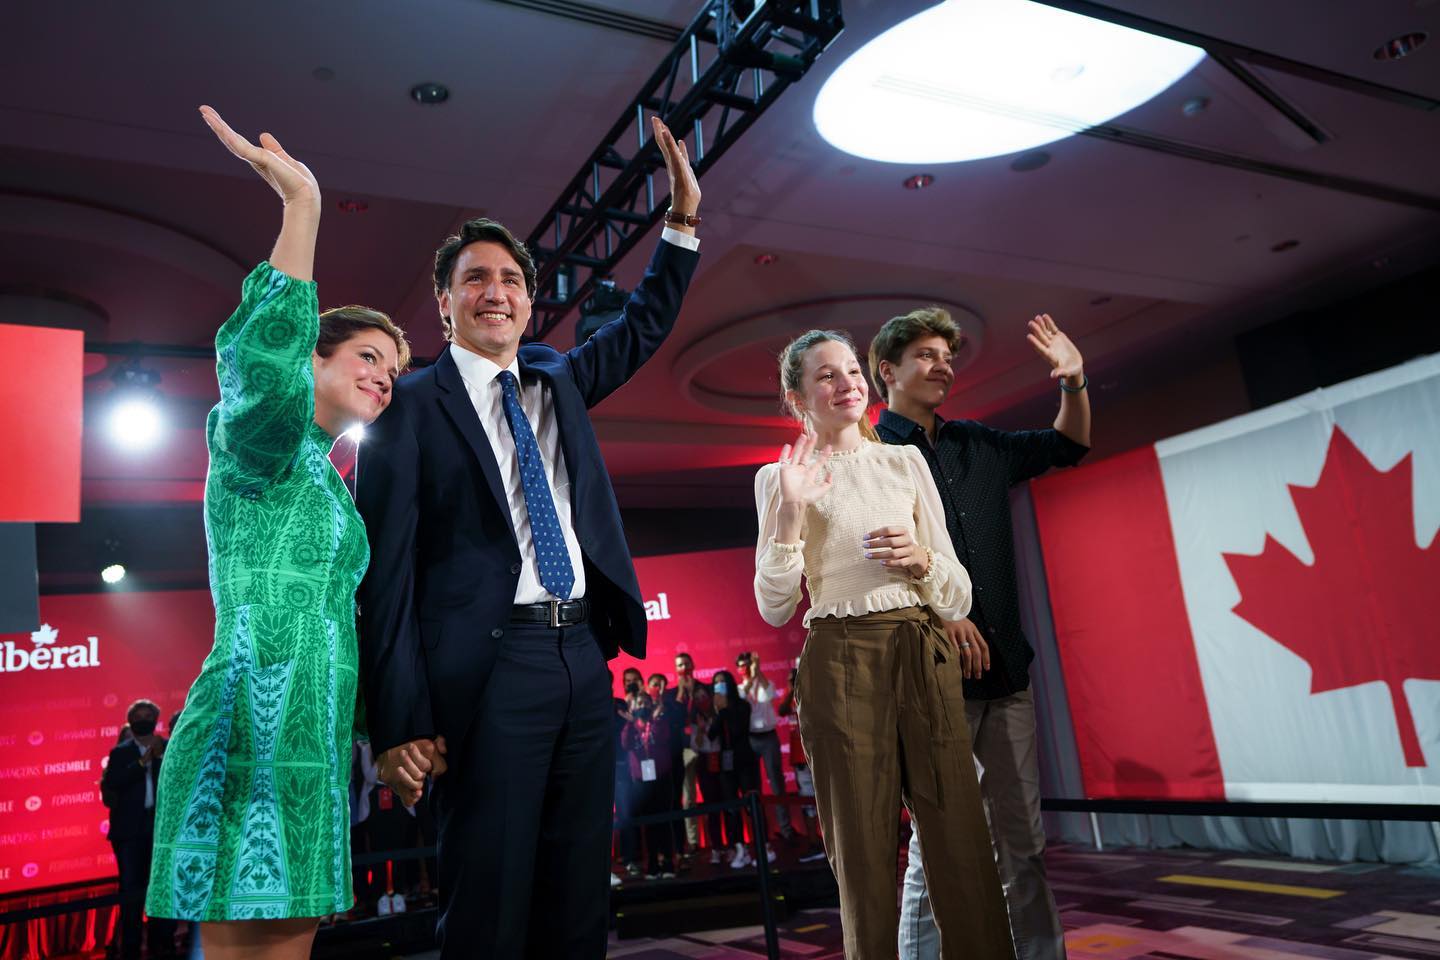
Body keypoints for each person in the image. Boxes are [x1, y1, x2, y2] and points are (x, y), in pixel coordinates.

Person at [355, 116, 702, 959]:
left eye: (511, 278)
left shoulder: (556, 376)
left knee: (579, 896)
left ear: (529, 301)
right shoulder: (407, 408)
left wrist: (682, 220)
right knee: (490, 898)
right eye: (475, 278)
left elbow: (643, 326)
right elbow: (384, 581)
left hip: (581, 657)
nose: (496, 291)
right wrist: (398, 724)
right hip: (488, 673)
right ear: (445, 303)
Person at [146, 107, 411, 960]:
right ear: (314, 358)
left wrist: (386, 735)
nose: (384, 379)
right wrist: (302, 211)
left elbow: (342, 625)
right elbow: (261, 372)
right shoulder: (259, 445)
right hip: (249, 730)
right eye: (367, 356)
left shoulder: (330, 483)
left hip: (313, 745)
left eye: (394, 371)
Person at [753, 329, 1012, 959]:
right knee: (861, 850)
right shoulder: (779, 478)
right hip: (839, 656)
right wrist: (790, 514)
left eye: (851, 370)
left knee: (959, 837)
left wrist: (921, 559)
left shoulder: (904, 462)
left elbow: (956, 595)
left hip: (921, 647)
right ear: (798, 398)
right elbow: (775, 605)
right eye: (827, 376)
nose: (848, 384)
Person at [872, 308, 1088, 960]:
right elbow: (875, 571)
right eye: (926, 355)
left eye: (948, 356)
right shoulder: (872, 459)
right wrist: (944, 611)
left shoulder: (979, 445)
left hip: (1007, 676)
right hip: (935, 681)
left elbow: (1068, 446)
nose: (943, 366)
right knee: (936, 849)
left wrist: (1073, 382)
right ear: (887, 370)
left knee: (1025, 845)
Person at [102, 699, 176, 960]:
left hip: (160, 832)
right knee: (131, 890)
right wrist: (143, 761)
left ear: (155, 720)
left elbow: (178, 783)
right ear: (131, 721)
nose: (144, 720)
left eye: (148, 716)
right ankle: (131, 947)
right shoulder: (120, 753)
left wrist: (161, 756)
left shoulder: (168, 748)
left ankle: (162, 943)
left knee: (160, 888)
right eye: (138, 717)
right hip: (129, 833)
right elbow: (115, 782)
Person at [736, 651, 793, 842]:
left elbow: (770, 694)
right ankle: (762, 834)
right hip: (750, 739)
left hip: (769, 737)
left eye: (748, 665)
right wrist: (751, 678)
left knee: (776, 782)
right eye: (742, 666)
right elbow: (742, 699)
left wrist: (758, 672)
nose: (745, 668)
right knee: (754, 787)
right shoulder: (738, 689)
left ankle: (786, 829)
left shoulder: (764, 682)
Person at [621, 690, 677, 879]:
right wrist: (630, 723)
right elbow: (625, 744)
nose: (643, 706)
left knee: (664, 821)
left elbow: (662, 737)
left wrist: (655, 720)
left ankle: (668, 863)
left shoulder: (658, 721)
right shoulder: (631, 726)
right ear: (633, 707)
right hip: (641, 781)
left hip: (662, 778)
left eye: (646, 702)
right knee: (648, 823)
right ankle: (652, 864)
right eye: (639, 703)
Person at [707, 669, 759, 869]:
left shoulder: (742, 705)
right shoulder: (717, 708)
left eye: (722, 682)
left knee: (751, 805)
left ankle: (762, 847)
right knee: (731, 807)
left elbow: (739, 731)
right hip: (726, 763)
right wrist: (719, 712)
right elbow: (712, 734)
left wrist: (725, 710)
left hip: (744, 760)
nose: (719, 686)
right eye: (716, 683)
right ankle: (739, 848)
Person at [669, 653, 703, 856]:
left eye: (686, 664)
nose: (683, 668)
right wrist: (682, 694)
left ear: (693, 665)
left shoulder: (704, 689)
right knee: (688, 798)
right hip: (685, 750)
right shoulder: (672, 695)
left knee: (712, 795)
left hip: (707, 747)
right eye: (679, 665)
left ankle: (722, 846)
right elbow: (674, 720)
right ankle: (692, 841)